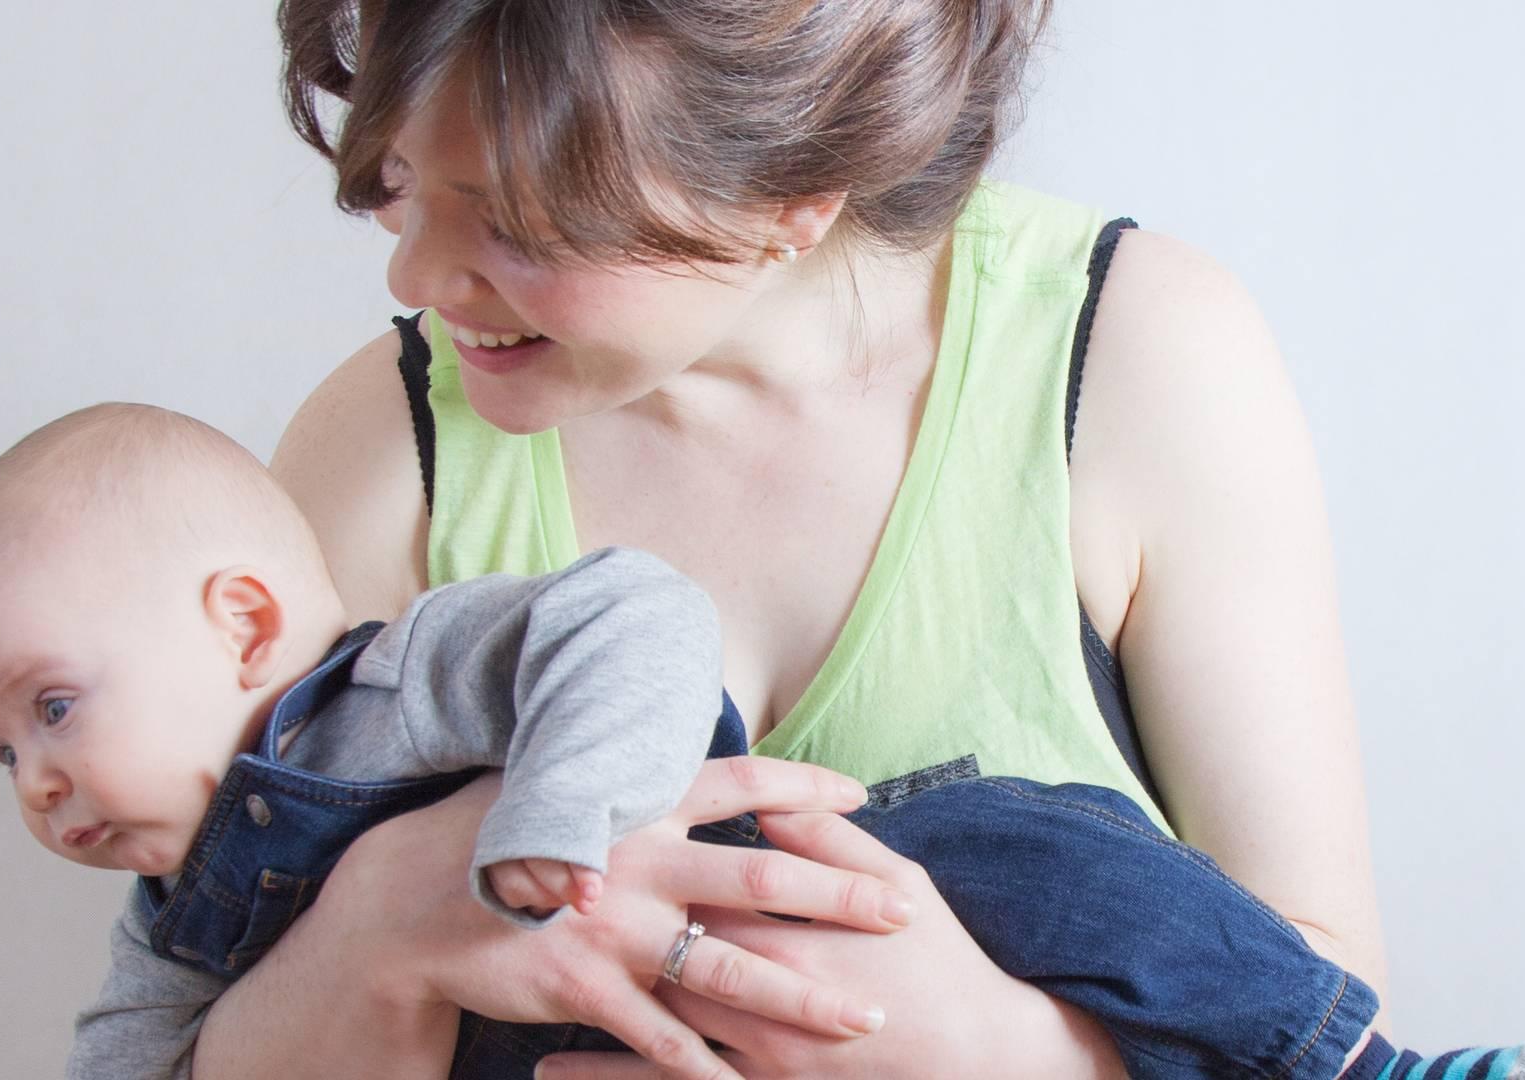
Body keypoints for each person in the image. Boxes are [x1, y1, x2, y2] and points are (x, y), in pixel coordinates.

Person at [186, 3, 1397, 1079]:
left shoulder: (1134, 356)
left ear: (792, 198)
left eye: (518, 220)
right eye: (399, 177)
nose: (417, 273)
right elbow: (177, 1020)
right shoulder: (381, 450)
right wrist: (383, 926)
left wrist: (992, 1055)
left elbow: (1335, 1021)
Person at [0, 404, 1525, 1080]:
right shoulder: (178, 920)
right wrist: (365, 936)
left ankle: (1356, 1068)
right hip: (600, 1042)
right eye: (0, 756)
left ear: (245, 625)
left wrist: (552, 825)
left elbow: (631, 617)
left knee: (1069, 859)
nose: (41, 783)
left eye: (53, 708)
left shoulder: (409, 667)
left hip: (842, 875)